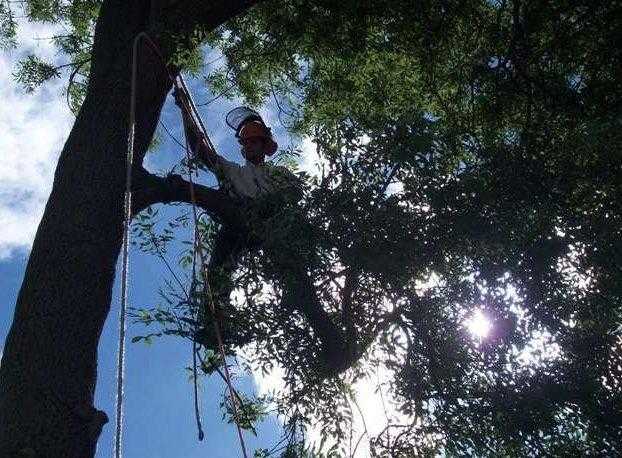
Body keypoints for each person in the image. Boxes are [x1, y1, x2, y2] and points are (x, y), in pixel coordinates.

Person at [176, 100, 302, 347]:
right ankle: (217, 323)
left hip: (268, 225)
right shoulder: (233, 171)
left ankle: (291, 299)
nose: (251, 146)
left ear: (265, 146)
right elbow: (201, 151)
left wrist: (267, 207)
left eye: (256, 142)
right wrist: (185, 111)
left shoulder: (279, 174)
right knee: (218, 270)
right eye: (247, 143)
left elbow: (294, 194)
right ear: (243, 148)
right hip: (237, 224)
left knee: (286, 270)